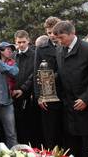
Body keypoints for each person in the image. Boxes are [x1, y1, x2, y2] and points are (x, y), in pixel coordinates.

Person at [53, 21, 88, 157]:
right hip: (68, 107)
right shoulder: (59, 50)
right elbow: (61, 74)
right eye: (57, 39)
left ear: (72, 33)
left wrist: (86, 99)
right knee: (71, 146)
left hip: (87, 107)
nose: (59, 42)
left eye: (62, 38)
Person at [34, 16, 64, 149]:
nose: (52, 35)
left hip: (66, 94)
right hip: (49, 97)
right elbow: (36, 73)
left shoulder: (67, 45)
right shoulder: (41, 49)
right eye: (49, 33)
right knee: (50, 133)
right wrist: (39, 96)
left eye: (54, 32)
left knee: (67, 132)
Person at [13, 30, 41, 146]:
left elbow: (34, 74)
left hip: (29, 96)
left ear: (28, 41)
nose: (21, 45)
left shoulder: (35, 55)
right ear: (15, 42)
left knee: (29, 124)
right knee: (17, 124)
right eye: (19, 42)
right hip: (14, 95)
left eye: (23, 42)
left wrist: (23, 89)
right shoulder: (13, 55)